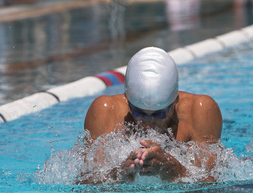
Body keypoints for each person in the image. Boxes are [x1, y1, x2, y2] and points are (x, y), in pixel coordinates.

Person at [83, 46, 223, 183]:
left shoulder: (199, 111)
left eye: (159, 114)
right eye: (138, 112)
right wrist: (118, 174)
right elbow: (84, 184)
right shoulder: (106, 111)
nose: (148, 125)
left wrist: (175, 170)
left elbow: (211, 188)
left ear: (175, 101)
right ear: (127, 99)